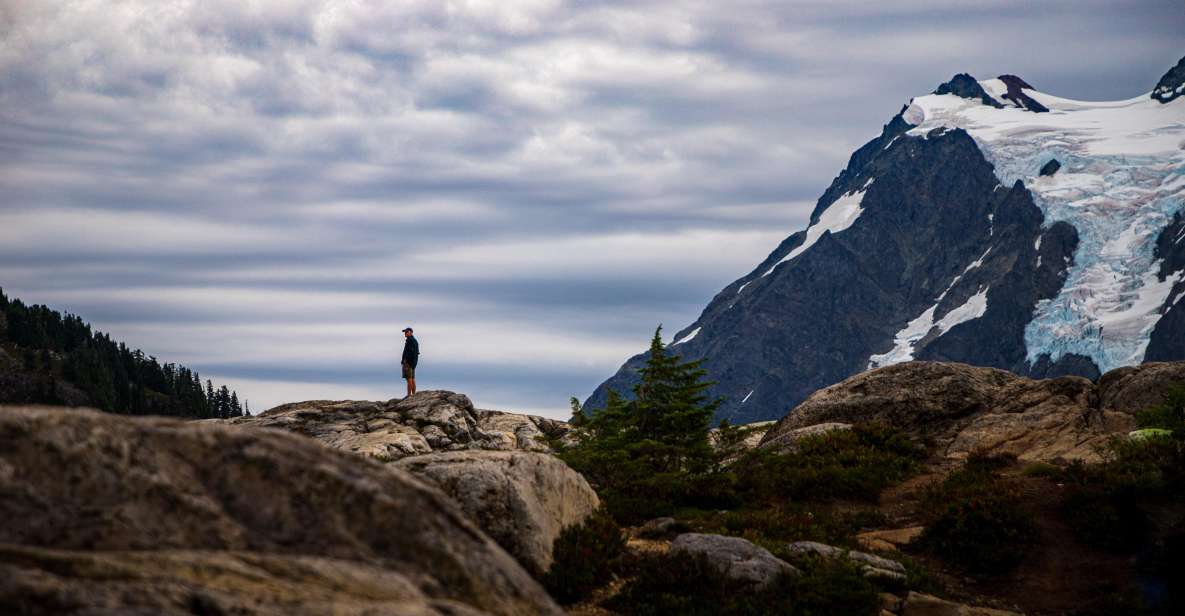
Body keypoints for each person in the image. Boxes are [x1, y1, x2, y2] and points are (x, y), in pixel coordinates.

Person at [401, 327, 419, 397]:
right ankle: (413, 394)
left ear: (411, 332)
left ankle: (409, 395)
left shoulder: (410, 340)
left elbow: (411, 352)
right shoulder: (414, 340)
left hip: (409, 362)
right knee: (412, 378)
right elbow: (416, 352)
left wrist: (406, 360)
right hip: (413, 362)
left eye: (406, 332)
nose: (405, 333)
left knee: (409, 378)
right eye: (405, 332)